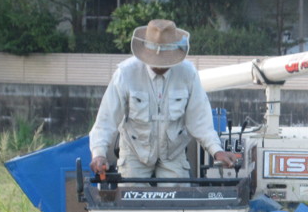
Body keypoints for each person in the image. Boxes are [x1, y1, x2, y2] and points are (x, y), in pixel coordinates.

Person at [88, 19, 238, 181]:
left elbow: (200, 120)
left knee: (179, 202)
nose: (160, 65)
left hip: (173, 154)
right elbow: (106, 119)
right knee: (130, 200)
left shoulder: (188, 74)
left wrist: (217, 150)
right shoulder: (126, 74)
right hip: (134, 154)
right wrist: (98, 154)